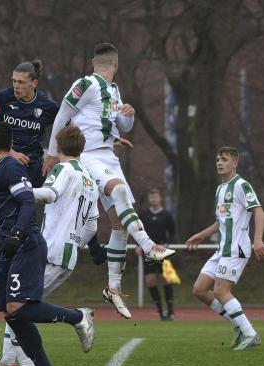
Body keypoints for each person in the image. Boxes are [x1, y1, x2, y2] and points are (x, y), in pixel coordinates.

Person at [43, 42, 175, 319]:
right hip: (89, 155)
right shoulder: (86, 83)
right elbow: (63, 115)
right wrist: (52, 154)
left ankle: (113, 288)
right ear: (115, 64)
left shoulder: (114, 90)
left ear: (96, 61)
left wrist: (128, 118)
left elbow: (118, 124)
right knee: (119, 191)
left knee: (119, 223)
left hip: (108, 156)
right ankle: (149, 246)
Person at [0, 125, 99, 366]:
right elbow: (92, 225)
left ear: (57, 147)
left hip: (46, 246)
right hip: (65, 250)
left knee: (19, 308)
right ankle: (24, 365)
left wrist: (19, 191)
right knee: (13, 309)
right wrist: (76, 242)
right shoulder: (89, 179)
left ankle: (76, 319)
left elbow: (49, 194)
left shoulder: (62, 169)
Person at [186, 146, 264, 350]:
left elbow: (258, 211)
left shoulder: (241, 185)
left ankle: (251, 334)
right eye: (217, 159)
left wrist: (258, 239)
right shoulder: (220, 189)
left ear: (235, 163)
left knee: (221, 291)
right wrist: (202, 234)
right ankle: (238, 325)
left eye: (224, 159)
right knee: (200, 290)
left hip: (236, 247)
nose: (219, 163)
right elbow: (220, 221)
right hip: (222, 248)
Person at [0, 59, 61, 230]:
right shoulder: (4, 98)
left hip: (33, 164)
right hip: (7, 160)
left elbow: (66, 130)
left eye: (21, 82)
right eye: (14, 81)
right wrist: (11, 153)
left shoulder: (47, 106)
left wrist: (53, 156)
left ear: (34, 83)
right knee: (11, 206)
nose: (16, 86)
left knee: (25, 207)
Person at [135, 188, 176, 320]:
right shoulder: (143, 214)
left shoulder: (167, 215)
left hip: (163, 252)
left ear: (160, 198)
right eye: (151, 197)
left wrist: (167, 245)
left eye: (156, 197)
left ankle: (170, 311)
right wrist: (138, 246)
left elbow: (173, 233)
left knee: (167, 279)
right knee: (150, 281)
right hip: (148, 251)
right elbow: (137, 231)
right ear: (149, 199)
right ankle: (160, 312)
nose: (153, 199)